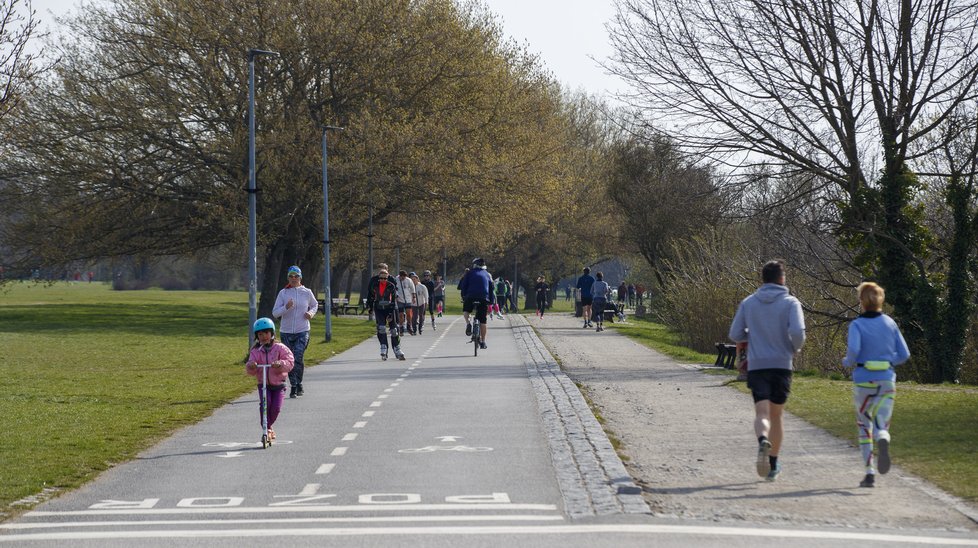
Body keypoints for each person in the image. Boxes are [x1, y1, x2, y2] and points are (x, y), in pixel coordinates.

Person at [728, 259, 806, 482]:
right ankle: (773, 464)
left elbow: (735, 334)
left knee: (761, 413)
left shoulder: (749, 303)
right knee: (777, 415)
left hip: (758, 364)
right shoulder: (791, 303)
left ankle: (762, 440)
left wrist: (752, 336)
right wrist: (794, 348)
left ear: (763, 279)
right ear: (782, 279)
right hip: (781, 363)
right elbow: (798, 331)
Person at [842, 282, 910, 488]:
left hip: (863, 379)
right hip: (886, 379)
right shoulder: (890, 323)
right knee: (882, 421)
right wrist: (889, 363)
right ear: (881, 299)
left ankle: (869, 472)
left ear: (861, 302)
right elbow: (904, 354)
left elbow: (853, 350)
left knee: (864, 425)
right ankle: (883, 436)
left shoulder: (857, 325)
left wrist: (847, 361)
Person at [245, 317, 295, 442]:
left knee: (276, 408)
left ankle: (268, 427)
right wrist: (251, 365)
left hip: (279, 384)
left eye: (266, 333)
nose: (264, 337)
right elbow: (251, 367)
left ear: (272, 333)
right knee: (265, 405)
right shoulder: (256, 351)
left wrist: (281, 364)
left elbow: (290, 361)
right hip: (263, 384)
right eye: (260, 334)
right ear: (257, 336)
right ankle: (266, 429)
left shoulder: (280, 348)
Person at [272, 265, 318, 399]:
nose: (293, 278)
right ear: (288, 278)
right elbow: (275, 313)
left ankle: (299, 382)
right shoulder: (283, 293)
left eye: (296, 276)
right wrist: (286, 307)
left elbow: (315, 305)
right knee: (289, 360)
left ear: (300, 277)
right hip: (286, 332)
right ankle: (294, 385)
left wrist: (311, 313)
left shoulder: (307, 292)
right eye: (291, 276)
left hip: (302, 330)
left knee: (298, 357)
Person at [365, 264, 405, 360]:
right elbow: (370, 294)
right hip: (379, 307)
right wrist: (369, 307)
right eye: (381, 271)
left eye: (385, 270)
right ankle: (383, 347)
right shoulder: (373, 281)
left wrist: (392, 311)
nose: (383, 279)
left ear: (388, 271)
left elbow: (394, 295)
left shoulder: (391, 281)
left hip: (391, 306)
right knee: (381, 328)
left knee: (394, 330)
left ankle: (397, 348)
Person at [459, 257, 493, 349]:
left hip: (471, 297)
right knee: (483, 321)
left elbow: (464, 286)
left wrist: (463, 296)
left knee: (466, 310)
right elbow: (491, 289)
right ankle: (483, 342)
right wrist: (491, 302)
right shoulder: (487, 274)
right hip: (483, 298)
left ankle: (468, 323)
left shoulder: (469, 273)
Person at [395, 270, 417, 335]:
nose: (403, 279)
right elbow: (394, 289)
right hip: (400, 300)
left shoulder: (408, 280)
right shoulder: (396, 280)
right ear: (400, 276)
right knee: (401, 315)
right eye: (402, 277)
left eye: (404, 277)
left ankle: (409, 326)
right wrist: (396, 296)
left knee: (409, 314)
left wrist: (414, 297)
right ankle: (401, 327)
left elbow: (413, 288)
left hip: (408, 299)